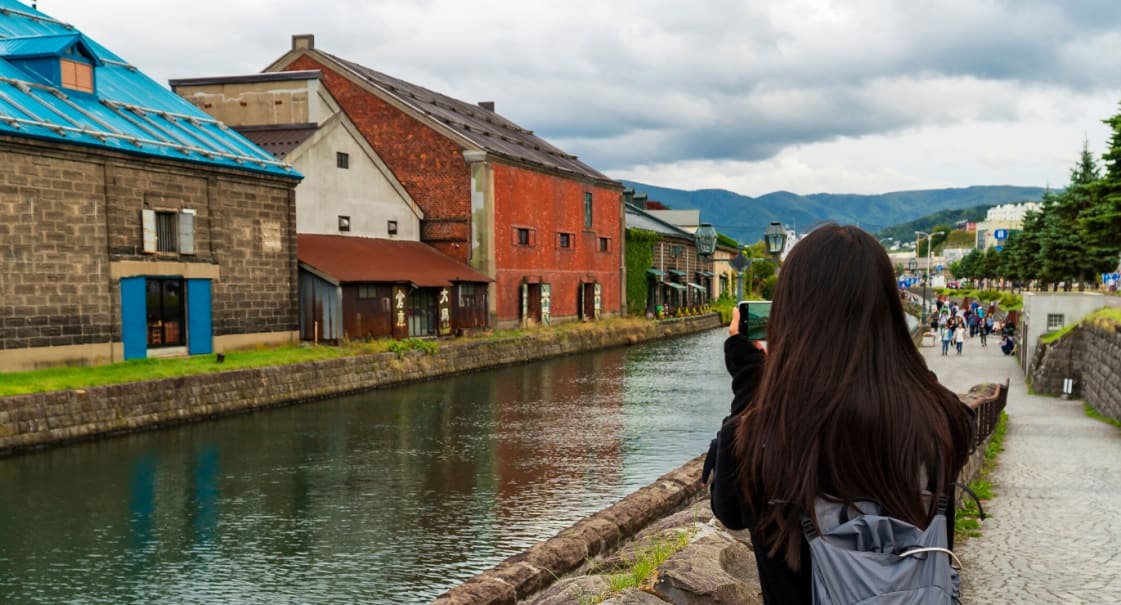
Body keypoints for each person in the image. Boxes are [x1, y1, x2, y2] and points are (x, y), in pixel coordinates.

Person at [709, 225, 975, 604]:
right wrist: (899, 356)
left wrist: (752, 377)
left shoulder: (762, 435)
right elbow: (924, 391)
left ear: (789, 314)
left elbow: (730, 509)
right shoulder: (945, 421)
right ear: (889, 312)